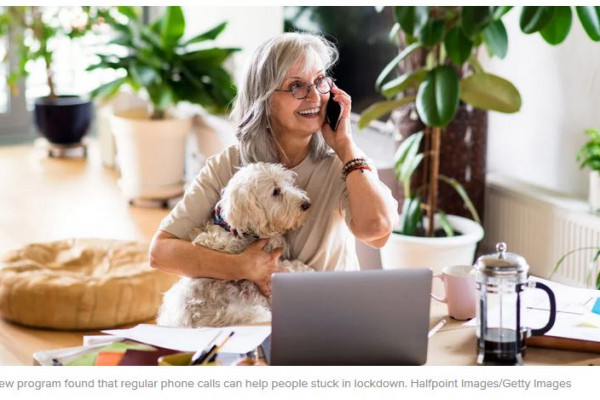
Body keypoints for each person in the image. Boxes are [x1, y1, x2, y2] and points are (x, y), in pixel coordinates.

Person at [149, 32, 398, 297]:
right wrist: (242, 266)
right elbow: (161, 252)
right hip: (254, 323)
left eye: (319, 81)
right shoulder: (229, 164)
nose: (314, 96)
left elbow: (378, 232)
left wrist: (346, 145)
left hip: (327, 314)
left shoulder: (346, 163)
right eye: (296, 86)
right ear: (264, 99)